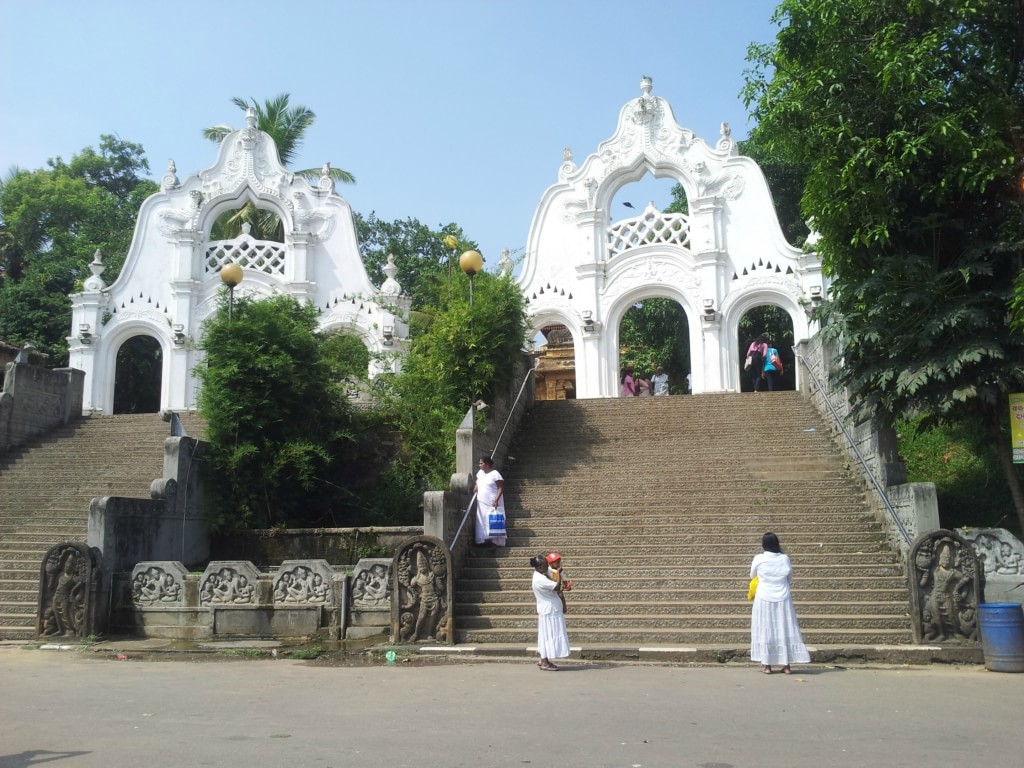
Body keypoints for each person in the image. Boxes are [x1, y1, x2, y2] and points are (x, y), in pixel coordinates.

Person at [749, 532, 810, 674]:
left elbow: (752, 575)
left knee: (765, 629)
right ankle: (786, 665)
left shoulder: (759, 558)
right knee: (785, 628)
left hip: (764, 596)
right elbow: (789, 578)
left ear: (763, 544)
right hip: (783, 597)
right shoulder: (785, 558)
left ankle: (767, 665)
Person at [530, 554, 570, 670]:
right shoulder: (540, 579)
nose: (548, 566)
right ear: (540, 566)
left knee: (546, 635)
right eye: (546, 564)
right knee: (550, 635)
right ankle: (545, 661)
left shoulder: (540, 574)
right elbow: (557, 587)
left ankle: (543, 658)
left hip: (548, 609)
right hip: (550, 611)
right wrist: (558, 573)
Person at [474, 455, 506, 548]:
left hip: (492, 501)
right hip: (481, 501)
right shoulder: (480, 473)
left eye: (481, 463)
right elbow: (478, 481)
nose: (479, 465)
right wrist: (476, 485)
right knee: (482, 520)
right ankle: (482, 540)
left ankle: (496, 542)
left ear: (487, 464)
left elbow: (501, 487)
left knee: (493, 520)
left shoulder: (495, 473)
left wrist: (496, 500)